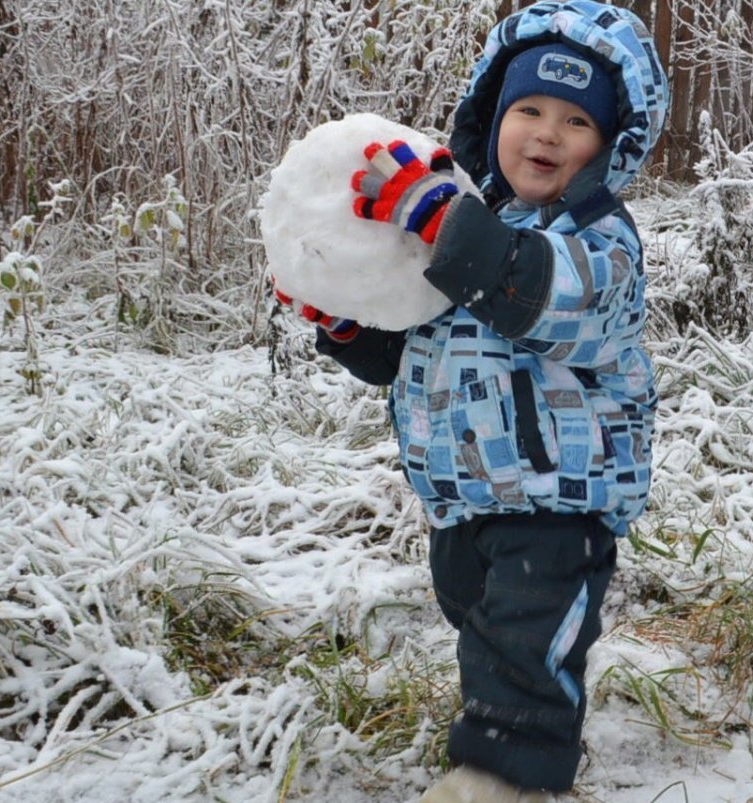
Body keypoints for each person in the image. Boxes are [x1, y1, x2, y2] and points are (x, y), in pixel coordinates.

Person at [276, 3, 668, 800]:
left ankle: (505, 773)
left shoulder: (598, 238)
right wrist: (349, 325)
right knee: (482, 624)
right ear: (491, 119)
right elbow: (412, 344)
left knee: (524, 642)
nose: (546, 134)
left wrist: (446, 225)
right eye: (527, 110)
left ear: (608, 145)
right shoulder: (472, 226)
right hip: (463, 502)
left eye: (574, 121)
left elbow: (545, 295)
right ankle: (508, 722)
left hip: (560, 502)